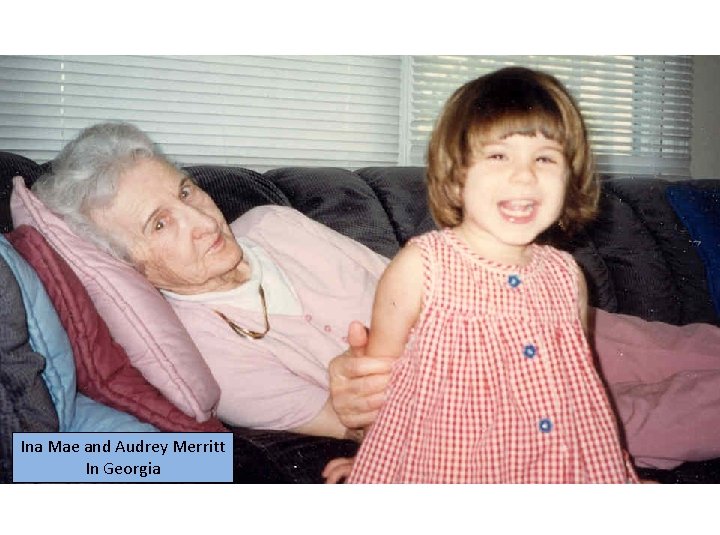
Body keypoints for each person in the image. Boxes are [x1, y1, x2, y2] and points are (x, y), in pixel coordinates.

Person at [30, 120, 720, 479]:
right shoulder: (208, 355)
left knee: (688, 346)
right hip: (487, 414)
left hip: (507, 316)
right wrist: (358, 400)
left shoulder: (270, 223)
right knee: (668, 416)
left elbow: (404, 276)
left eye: (185, 190)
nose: (203, 220)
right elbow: (357, 422)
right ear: (132, 267)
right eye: (161, 224)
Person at [323, 67, 638, 483]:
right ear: (455, 178)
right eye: (498, 155)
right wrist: (374, 457)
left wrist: (611, 470)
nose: (524, 176)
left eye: (545, 158)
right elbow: (378, 386)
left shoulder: (568, 275)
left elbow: (578, 390)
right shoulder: (420, 266)